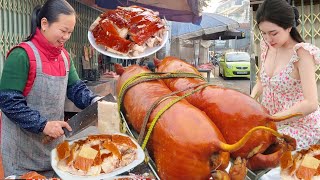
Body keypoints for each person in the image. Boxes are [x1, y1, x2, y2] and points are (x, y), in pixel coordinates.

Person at [0, 0, 100, 177]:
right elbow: (8, 102)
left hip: (54, 152)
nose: (66, 37)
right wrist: (43, 125)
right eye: (63, 31)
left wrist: (94, 102)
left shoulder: (64, 57)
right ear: (44, 24)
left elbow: (76, 89)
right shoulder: (21, 55)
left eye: (70, 32)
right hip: (22, 155)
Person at [251, 0, 320, 149]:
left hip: (301, 125)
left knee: (264, 151)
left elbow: (311, 103)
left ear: (288, 27)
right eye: (263, 33)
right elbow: (262, 81)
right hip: (271, 123)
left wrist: (273, 120)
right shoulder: (267, 46)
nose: (269, 39)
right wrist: (250, 100)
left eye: (273, 33)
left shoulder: (302, 53)